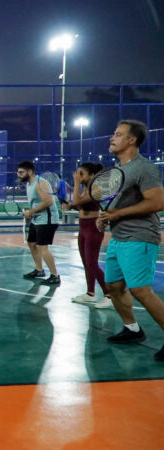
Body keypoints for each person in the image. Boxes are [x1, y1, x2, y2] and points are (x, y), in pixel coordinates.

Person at [96, 120, 164, 361]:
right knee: (113, 286)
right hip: (118, 237)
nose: (111, 138)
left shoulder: (144, 168)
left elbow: (157, 203)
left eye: (118, 134)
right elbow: (117, 203)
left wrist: (117, 214)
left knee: (140, 290)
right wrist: (105, 218)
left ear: (131, 140)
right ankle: (132, 329)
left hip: (140, 235)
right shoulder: (118, 170)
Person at [64, 162, 112, 308]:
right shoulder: (85, 190)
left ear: (92, 175)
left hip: (92, 228)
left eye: (81, 174)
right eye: (77, 173)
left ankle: (109, 295)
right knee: (86, 263)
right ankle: (90, 293)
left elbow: (77, 201)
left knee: (92, 263)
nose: (78, 176)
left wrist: (76, 184)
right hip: (83, 228)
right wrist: (71, 205)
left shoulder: (96, 190)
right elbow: (79, 205)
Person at [18, 160, 61, 285]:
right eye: (18, 172)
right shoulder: (29, 184)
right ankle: (39, 270)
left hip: (47, 219)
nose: (19, 175)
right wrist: (30, 213)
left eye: (21, 172)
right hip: (37, 218)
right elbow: (37, 202)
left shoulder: (40, 182)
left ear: (30, 171)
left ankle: (55, 275)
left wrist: (31, 211)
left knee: (42, 247)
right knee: (31, 243)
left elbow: (48, 201)